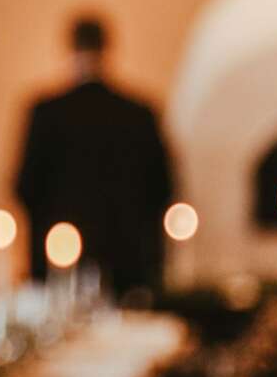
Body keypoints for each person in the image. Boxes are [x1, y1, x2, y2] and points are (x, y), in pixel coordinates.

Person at [15, 15, 173, 297]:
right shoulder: (139, 114)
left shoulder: (46, 113)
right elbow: (163, 187)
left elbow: (24, 187)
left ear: (70, 49)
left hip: (61, 262)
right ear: (107, 49)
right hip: (127, 262)